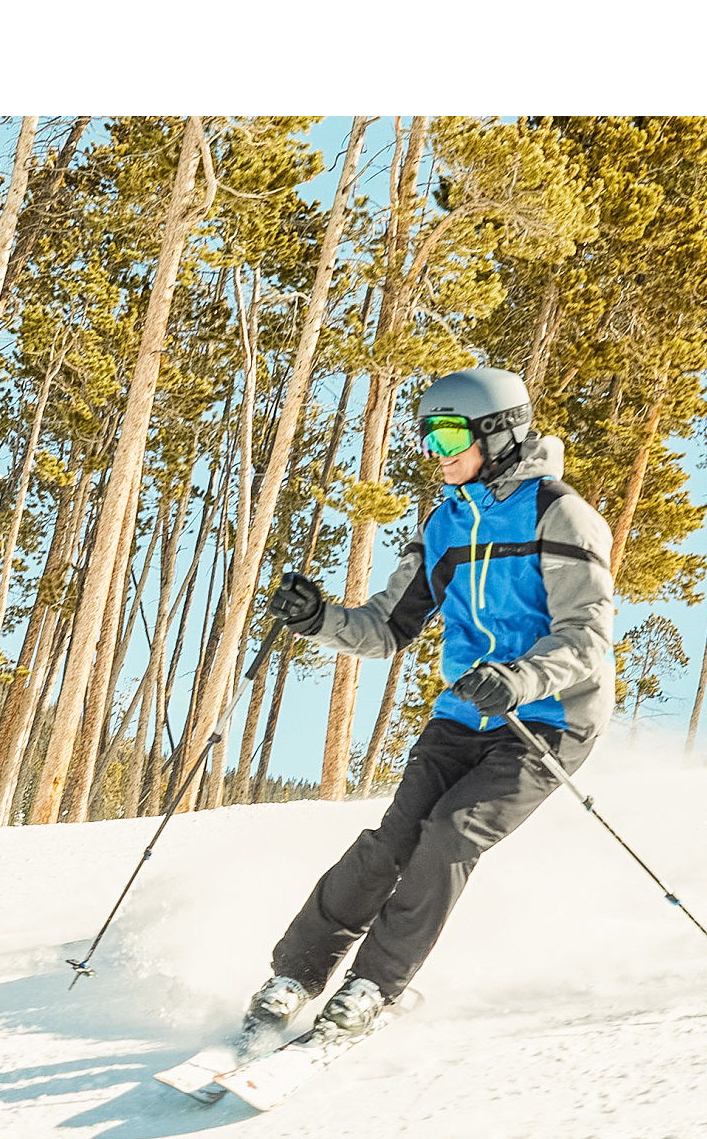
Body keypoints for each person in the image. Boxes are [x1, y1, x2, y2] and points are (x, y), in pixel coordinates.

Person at [245, 365, 615, 1051]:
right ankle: (295, 976)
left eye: (450, 435)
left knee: (451, 832)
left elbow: (587, 635)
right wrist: (318, 618)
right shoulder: (446, 524)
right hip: (465, 713)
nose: (438, 452)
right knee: (393, 842)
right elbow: (387, 629)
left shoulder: (559, 513)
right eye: (429, 439)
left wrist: (521, 678)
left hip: (550, 718)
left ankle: (374, 985)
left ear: (500, 433)